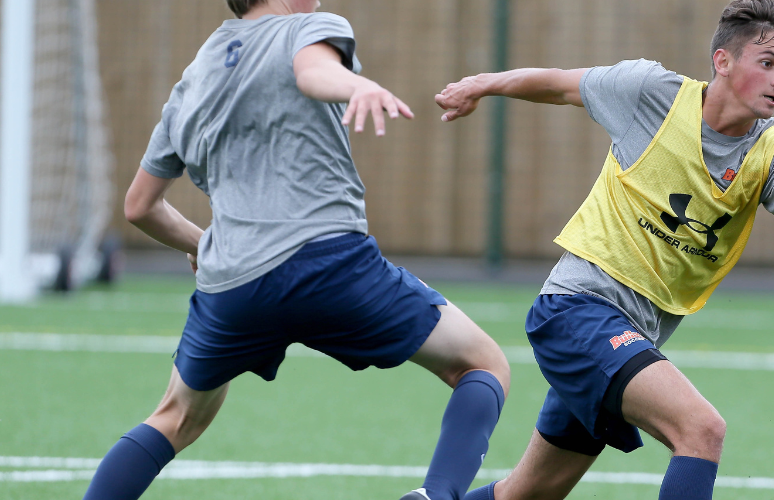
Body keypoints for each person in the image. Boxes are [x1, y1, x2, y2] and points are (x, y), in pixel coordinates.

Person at [81, 1, 509, 499]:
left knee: (175, 416)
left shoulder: (192, 80)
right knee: (483, 364)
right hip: (325, 265)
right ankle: (436, 495)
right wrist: (358, 85)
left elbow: (139, 207)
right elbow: (312, 73)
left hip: (231, 288)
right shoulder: (308, 28)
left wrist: (207, 244)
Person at [435, 0, 774, 498]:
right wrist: (481, 84)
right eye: (767, 63)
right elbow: (559, 83)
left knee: (529, 493)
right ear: (722, 61)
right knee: (701, 429)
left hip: (634, 334)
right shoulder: (651, 92)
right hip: (577, 311)